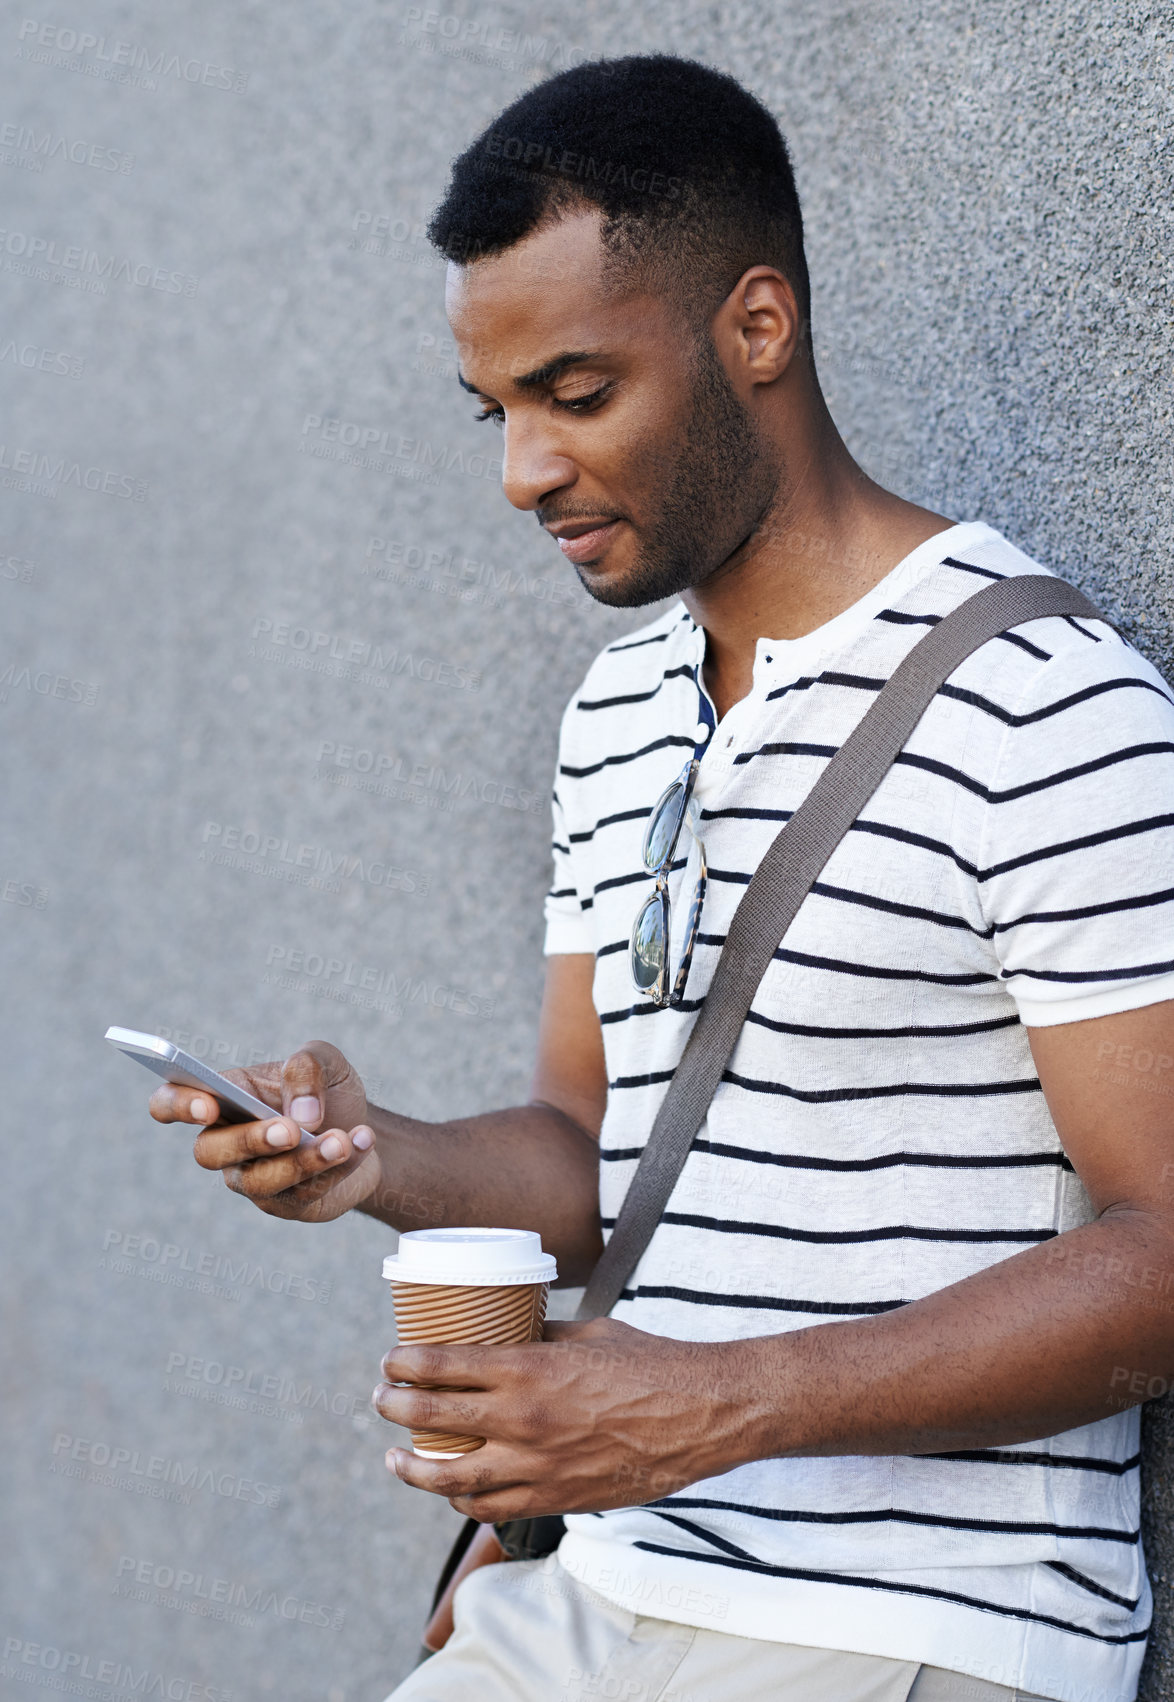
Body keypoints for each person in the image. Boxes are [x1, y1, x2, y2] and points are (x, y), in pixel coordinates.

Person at [148, 54, 1174, 1702]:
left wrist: (711, 1402)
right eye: (498, 412)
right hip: (598, 1587)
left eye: (575, 391)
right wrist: (370, 1156)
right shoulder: (621, 705)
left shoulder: (1046, 706)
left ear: (753, 329)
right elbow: (584, 1150)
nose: (521, 473)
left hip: (912, 1625)